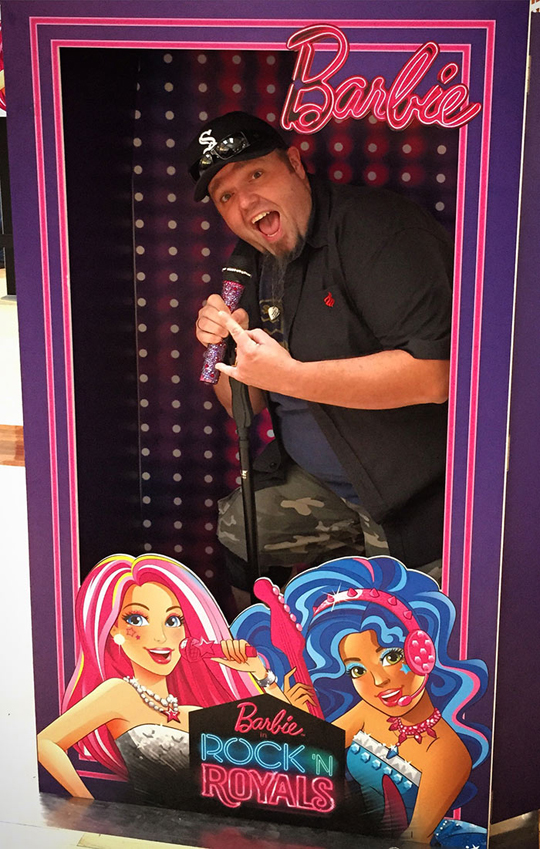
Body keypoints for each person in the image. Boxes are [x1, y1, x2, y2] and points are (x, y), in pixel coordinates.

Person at [187, 111, 453, 605]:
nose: (245, 202)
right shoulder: (252, 262)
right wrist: (225, 345)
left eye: (256, 174)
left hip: (407, 495)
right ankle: (256, 643)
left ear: (294, 163)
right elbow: (245, 404)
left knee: (387, 624)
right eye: (225, 196)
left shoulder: (378, 229)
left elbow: (434, 376)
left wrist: (291, 376)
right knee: (240, 528)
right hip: (318, 481)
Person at [232, 555, 490, 845]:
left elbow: (413, 839)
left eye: (390, 656)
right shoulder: (368, 712)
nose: (379, 681)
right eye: (357, 670)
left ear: (423, 649)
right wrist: (265, 680)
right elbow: (307, 753)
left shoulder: (447, 753)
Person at [37, 553, 288, 807]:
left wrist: (260, 675)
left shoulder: (193, 712)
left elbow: (289, 743)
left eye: (173, 621)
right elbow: (46, 742)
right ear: (114, 628)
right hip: (149, 823)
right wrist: (86, 805)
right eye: (137, 619)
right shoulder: (119, 693)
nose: (160, 637)